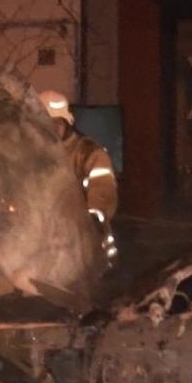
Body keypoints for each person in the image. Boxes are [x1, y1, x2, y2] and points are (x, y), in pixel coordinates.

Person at [38, 90, 118, 262]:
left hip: (85, 250)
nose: (51, 128)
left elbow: (103, 191)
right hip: (44, 248)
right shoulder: (33, 155)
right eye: (45, 123)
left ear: (67, 123)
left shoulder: (89, 153)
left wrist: (91, 221)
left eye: (57, 123)